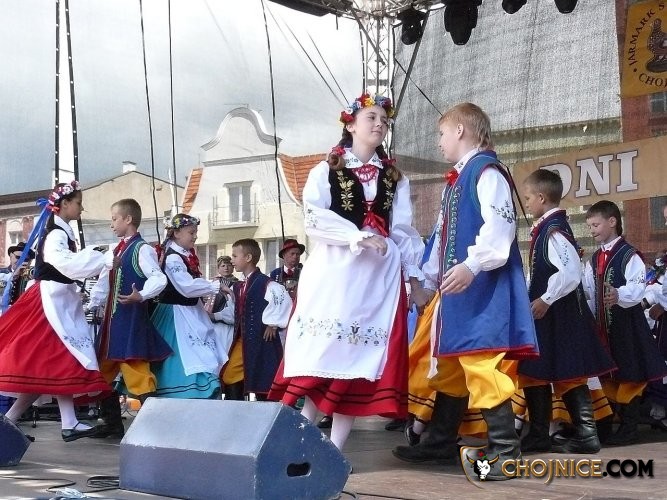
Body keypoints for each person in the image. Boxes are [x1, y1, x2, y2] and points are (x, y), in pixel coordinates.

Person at [269, 92, 424, 453]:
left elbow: (403, 231)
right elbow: (314, 218)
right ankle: (295, 442)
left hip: (377, 280)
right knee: (321, 356)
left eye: (384, 120)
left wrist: (415, 280)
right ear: (351, 124)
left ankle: (334, 450)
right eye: (372, 118)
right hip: (335, 273)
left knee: (358, 362)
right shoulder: (327, 169)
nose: (380, 124)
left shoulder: (394, 177)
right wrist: (356, 236)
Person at [393, 103, 538, 480]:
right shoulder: (458, 180)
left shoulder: (487, 171)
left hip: (483, 289)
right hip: (461, 291)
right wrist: (427, 283)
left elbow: (500, 230)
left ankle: (506, 451)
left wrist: (472, 266)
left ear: (460, 130)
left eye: (442, 133)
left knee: (481, 363)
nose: (439, 141)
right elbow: (443, 239)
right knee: (453, 367)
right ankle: (441, 441)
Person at [0, 181, 110, 441]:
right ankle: (67, 422)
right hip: (50, 302)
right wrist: (101, 258)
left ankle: (10, 422)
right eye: (78, 203)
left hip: (59, 299)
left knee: (46, 368)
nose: (81, 208)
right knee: (60, 357)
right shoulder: (55, 235)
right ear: (64, 204)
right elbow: (65, 263)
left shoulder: (59, 232)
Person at [516, 169, 616, 454]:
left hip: (559, 316)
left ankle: (587, 435)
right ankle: (538, 434)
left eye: (527, 198)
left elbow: (570, 272)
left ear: (541, 197)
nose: (526, 204)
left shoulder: (554, 231)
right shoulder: (548, 229)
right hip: (548, 317)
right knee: (535, 371)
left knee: (569, 371)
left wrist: (546, 298)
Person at [583, 200, 667, 445]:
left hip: (627, 327)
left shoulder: (629, 255)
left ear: (612, 222)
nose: (592, 230)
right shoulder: (594, 258)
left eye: (596, 225)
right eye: (589, 226)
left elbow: (638, 287)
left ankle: (629, 428)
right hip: (605, 328)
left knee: (631, 372)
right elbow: (589, 291)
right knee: (610, 374)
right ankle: (609, 425)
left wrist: (619, 295)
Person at [88, 198, 172, 438]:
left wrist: (141, 295)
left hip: (131, 321)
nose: (111, 224)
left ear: (128, 219)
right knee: (102, 372)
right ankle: (112, 423)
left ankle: (155, 429)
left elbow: (159, 278)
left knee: (136, 371)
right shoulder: (116, 250)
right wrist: (91, 303)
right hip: (112, 324)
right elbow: (104, 282)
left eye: (114, 219)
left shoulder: (142, 249)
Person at [151, 213, 228, 399]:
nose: (195, 236)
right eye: (191, 233)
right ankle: (185, 396)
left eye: (195, 232)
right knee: (186, 357)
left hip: (192, 311)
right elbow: (185, 287)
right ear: (177, 233)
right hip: (177, 313)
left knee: (200, 353)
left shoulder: (184, 255)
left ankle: (198, 396)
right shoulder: (173, 258)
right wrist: (214, 286)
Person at [220, 239, 292, 401]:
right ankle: (236, 411)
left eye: (235, 256)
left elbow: (283, 300)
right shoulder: (238, 286)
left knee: (264, 380)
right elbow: (235, 312)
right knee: (230, 375)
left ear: (248, 258)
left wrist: (273, 323)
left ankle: (262, 412)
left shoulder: (265, 283)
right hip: (243, 341)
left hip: (262, 340)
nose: (232, 260)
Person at [205, 256, 238, 367]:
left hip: (227, 324)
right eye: (223, 265)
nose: (226, 268)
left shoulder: (237, 284)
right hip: (213, 322)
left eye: (229, 265)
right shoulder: (212, 283)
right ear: (218, 268)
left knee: (226, 352)